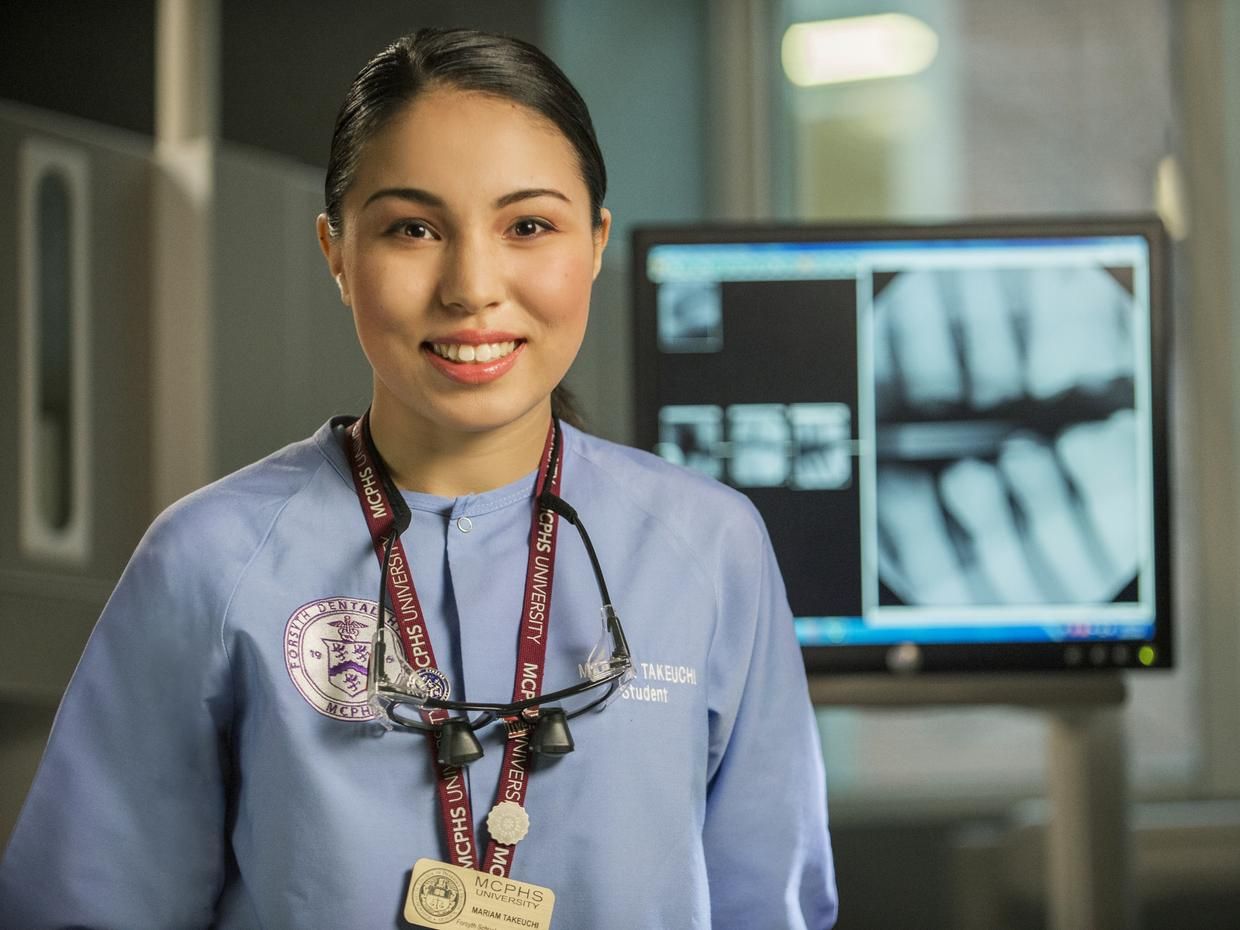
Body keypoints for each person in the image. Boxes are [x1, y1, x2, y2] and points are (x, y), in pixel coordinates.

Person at [0, 28, 837, 929]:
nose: (472, 286)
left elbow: (769, 908)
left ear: (595, 242)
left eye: (528, 226)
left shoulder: (710, 549)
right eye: (413, 228)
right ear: (335, 251)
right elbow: (85, 909)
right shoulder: (209, 560)